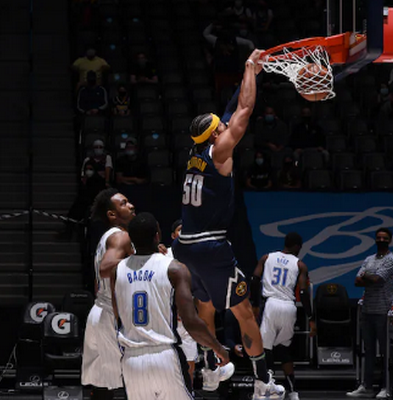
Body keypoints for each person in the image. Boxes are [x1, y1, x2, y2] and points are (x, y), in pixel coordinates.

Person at [172, 49, 286, 399]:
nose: (226, 127)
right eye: (221, 128)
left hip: (185, 246)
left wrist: (251, 74)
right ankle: (263, 381)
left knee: (205, 306)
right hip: (210, 246)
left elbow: (231, 108)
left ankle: (210, 370)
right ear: (214, 137)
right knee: (244, 312)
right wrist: (251, 66)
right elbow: (244, 110)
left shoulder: (196, 153)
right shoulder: (220, 152)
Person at [109, 212, 230, 400]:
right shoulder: (175, 268)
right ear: (157, 235)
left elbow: (117, 315)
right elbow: (191, 322)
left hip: (131, 359)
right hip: (165, 355)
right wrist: (217, 347)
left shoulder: (117, 270)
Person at [81, 188, 136, 400]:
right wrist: (144, 258)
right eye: (123, 203)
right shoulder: (120, 236)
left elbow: (98, 282)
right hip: (111, 316)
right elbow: (106, 267)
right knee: (130, 381)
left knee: (102, 386)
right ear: (112, 214)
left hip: (99, 312)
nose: (131, 205)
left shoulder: (106, 237)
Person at [251, 232, 316, 400]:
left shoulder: (267, 258)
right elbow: (303, 293)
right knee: (284, 350)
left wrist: (255, 305)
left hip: (271, 304)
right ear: (297, 246)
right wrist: (311, 318)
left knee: (266, 349)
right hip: (288, 306)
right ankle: (293, 392)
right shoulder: (300, 264)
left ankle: (267, 388)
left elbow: (255, 279)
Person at [347, 228, 393, 399]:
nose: (381, 240)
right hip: (367, 309)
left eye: (385, 238)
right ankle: (366, 385)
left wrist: (367, 276)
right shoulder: (369, 259)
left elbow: (378, 279)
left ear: (389, 240)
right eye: (379, 237)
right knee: (368, 350)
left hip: (383, 310)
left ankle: (386, 387)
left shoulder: (391, 260)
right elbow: (357, 281)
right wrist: (371, 277)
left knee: (385, 351)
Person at [162, 219, 198, 385]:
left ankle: (188, 392)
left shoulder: (197, 256)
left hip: (188, 312)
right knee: (168, 359)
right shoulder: (164, 255)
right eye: (180, 229)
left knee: (190, 358)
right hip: (167, 313)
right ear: (173, 235)